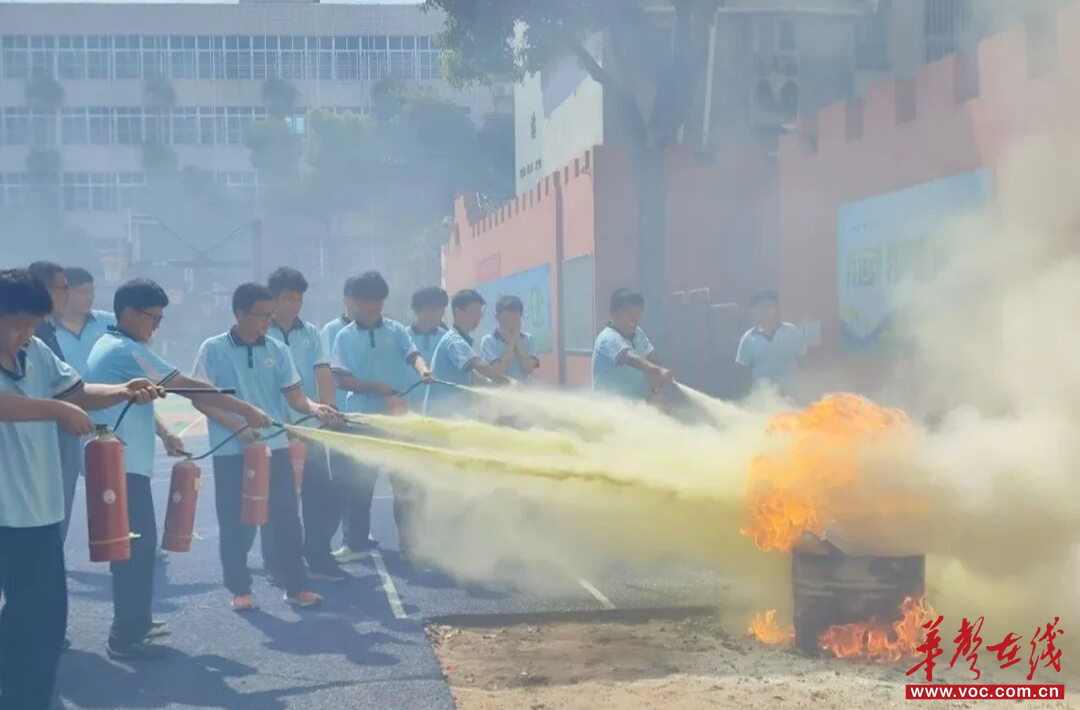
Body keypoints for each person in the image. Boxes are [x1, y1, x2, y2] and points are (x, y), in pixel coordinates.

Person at [0, 268, 162, 710]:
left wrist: (122, 390)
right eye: (17, 325)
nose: (25, 334)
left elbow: (77, 392)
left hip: (39, 510)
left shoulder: (35, 351)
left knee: (47, 620)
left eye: (32, 325)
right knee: (26, 617)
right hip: (5, 514)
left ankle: (27, 697)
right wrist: (55, 410)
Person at [86, 279, 273, 659]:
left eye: (160, 319)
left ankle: (136, 623)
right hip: (121, 469)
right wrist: (246, 410)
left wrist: (165, 433)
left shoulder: (114, 346)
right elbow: (186, 385)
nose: (156, 326)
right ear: (129, 313)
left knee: (140, 549)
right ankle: (125, 637)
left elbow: (131, 400)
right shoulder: (125, 349)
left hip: (126, 465)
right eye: (153, 318)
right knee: (134, 550)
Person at [191, 283, 341, 612]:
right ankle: (240, 588)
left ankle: (297, 586)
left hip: (276, 447)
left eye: (269, 315)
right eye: (260, 315)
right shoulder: (213, 349)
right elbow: (200, 398)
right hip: (231, 452)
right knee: (236, 522)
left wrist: (315, 408)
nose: (266, 322)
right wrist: (238, 427)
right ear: (239, 313)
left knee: (286, 519)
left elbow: (295, 398)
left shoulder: (277, 349)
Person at [329, 272, 432, 562]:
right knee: (360, 486)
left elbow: (413, 355)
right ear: (356, 301)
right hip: (362, 420)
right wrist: (375, 387)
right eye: (369, 300)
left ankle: (410, 543)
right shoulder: (344, 336)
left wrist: (423, 370)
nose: (375, 306)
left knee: (405, 483)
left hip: (397, 419)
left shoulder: (397, 331)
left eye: (379, 300)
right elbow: (341, 379)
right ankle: (356, 543)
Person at [267, 267, 348, 582]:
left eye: (298, 298)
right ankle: (279, 564)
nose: (294, 304)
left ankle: (318, 556)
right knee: (280, 503)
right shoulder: (261, 332)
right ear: (273, 299)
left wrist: (329, 408)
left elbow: (322, 372)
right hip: (274, 431)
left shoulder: (310, 332)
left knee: (323, 495)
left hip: (309, 427)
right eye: (287, 298)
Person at [27, 262, 82, 543]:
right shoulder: (33, 337)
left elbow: (72, 389)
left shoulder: (46, 334)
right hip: (45, 439)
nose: (67, 296)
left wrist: (123, 391)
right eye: (63, 289)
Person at [423, 289, 511, 418]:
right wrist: (508, 382)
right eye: (473, 313)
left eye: (479, 313)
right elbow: (479, 366)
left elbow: (475, 375)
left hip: (454, 415)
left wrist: (495, 388)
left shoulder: (462, 341)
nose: (477, 318)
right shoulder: (454, 340)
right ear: (458, 312)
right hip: (442, 417)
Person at [591, 288, 674, 401]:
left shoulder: (638, 333)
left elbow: (652, 358)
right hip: (610, 407)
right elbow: (630, 358)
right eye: (628, 314)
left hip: (637, 405)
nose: (634, 320)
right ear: (613, 312)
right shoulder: (607, 338)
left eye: (638, 314)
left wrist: (656, 389)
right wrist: (657, 371)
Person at [735, 290, 807, 399]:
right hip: (763, 396)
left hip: (792, 394)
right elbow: (743, 370)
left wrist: (805, 388)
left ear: (776, 308)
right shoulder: (748, 338)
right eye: (759, 308)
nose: (763, 311)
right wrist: (747, 396)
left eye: (767, 306)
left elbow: (803, 361)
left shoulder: (792, 331)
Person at [56, 267, 116, 377]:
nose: (89, 298)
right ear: (65, 293)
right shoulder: (46, 330)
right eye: (83, 293)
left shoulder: (111, 323)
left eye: (91, 292)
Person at [404, 286, 448, 412]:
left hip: (440, 409)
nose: (438, 314)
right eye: (431, 309)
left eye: (441, 309)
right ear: (416, 310)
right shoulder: (403, 337)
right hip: (408, 408)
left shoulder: (447, 338)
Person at [480, 295, 540, 383]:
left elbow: (529, 369)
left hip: (522, 389)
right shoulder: (488, 341)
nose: (510, 324)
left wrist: (517, 340)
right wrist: (512, 343)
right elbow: (497, 371)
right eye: (506, 320)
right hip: (498, 390)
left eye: (515, 319)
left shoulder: (528, 339)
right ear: (497, 317)